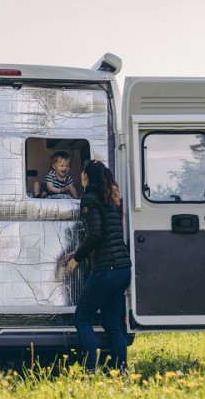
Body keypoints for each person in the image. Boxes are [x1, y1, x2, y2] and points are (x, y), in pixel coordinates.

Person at [66, 159, 132, 373]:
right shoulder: (110, 196)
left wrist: (76, 259)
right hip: (122, 268)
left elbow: (95, 234)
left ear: (87, 177)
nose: (81, 176)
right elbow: (108, 234)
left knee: (82, 318)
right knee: (112, 324)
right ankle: (122, 371)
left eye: (83, 173)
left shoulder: (89, 198)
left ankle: (90, 371)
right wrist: (78, 252)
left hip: (106, 270)